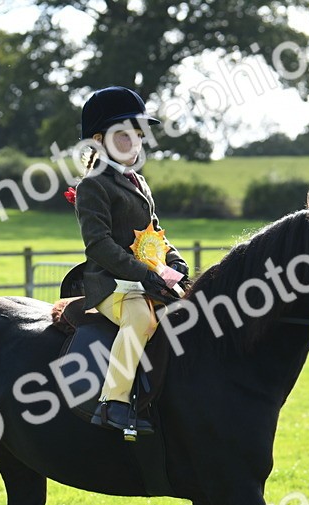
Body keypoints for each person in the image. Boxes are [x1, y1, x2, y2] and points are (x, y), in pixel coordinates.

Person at [72, 86, 190, 435]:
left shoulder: (138, 182)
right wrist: (144, 276)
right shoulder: (92, 185)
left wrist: (175, 262)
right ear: (98, 140)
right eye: (123, 135)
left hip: (147, 280)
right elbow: (98, 245)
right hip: (109, 283)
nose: (134, 143)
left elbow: (155, 234)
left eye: (138, 135)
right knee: (140, 318)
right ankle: (114, 403)